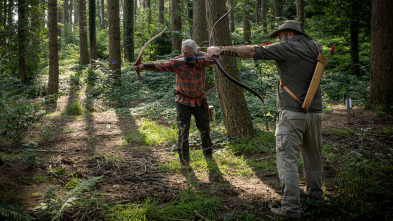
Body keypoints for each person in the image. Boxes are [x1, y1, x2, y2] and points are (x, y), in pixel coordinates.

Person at [208, 20, 324, 219]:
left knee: (288, 161)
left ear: (288, 34)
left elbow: (252, 51)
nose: (278, 40)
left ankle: (290, 209)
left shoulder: (286, 48)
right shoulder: (315, 46)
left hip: (292, 114)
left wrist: (220, 50)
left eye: (279, 36)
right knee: (314, 159)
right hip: (315, 113)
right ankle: (316, 200)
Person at [133, 39, 215, 170]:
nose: (184, 56)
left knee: (204, 128)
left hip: (199, 101)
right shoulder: (178, 61)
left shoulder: (201, 58)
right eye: (183, 52)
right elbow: (161, 66)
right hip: (183, 101)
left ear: (194, 52)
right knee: (183, 131)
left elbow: (213, 59)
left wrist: (195, 60)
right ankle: (184, 161)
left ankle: (208, 154)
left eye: (187, 53)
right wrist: (143, 66)